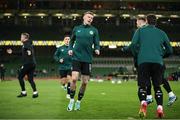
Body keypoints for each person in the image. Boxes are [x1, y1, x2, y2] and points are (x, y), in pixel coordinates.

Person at [127, 14, 173, 118]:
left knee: (142, 85)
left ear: (147, 21)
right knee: (157, 86)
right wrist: (161, 55)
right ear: (156, 22)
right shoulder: (162, 33)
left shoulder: (139, 31)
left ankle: (143, 102)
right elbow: (170, 50)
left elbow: (133, 45)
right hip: (158, 62)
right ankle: (160, 107)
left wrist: (136, 55)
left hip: (143, 62)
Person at [67, 11, 100, 111]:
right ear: (84, 17)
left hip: (87, 59)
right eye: (89, 17)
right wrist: (70, 49)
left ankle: (78, 102)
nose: (90, 19)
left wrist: (97, 48)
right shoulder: (77, 29)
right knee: (74, 79)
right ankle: (71, 100)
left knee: (85, 82)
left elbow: (97, 42)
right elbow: (71, 40)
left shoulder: (94, 30)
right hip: (76, 57)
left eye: (92, 18)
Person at [7, 33, 38, 98]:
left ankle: (24, 92)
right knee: (30, 79)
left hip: (28, 63)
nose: (20, 38)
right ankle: (35, 93)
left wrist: (29, 52)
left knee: (20, 77)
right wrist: (12, 52)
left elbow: (28, 48)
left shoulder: (26, 43)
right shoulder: (26, 44)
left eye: (21, 37)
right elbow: (21, 53)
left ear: (25, 38)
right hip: (32, 63)